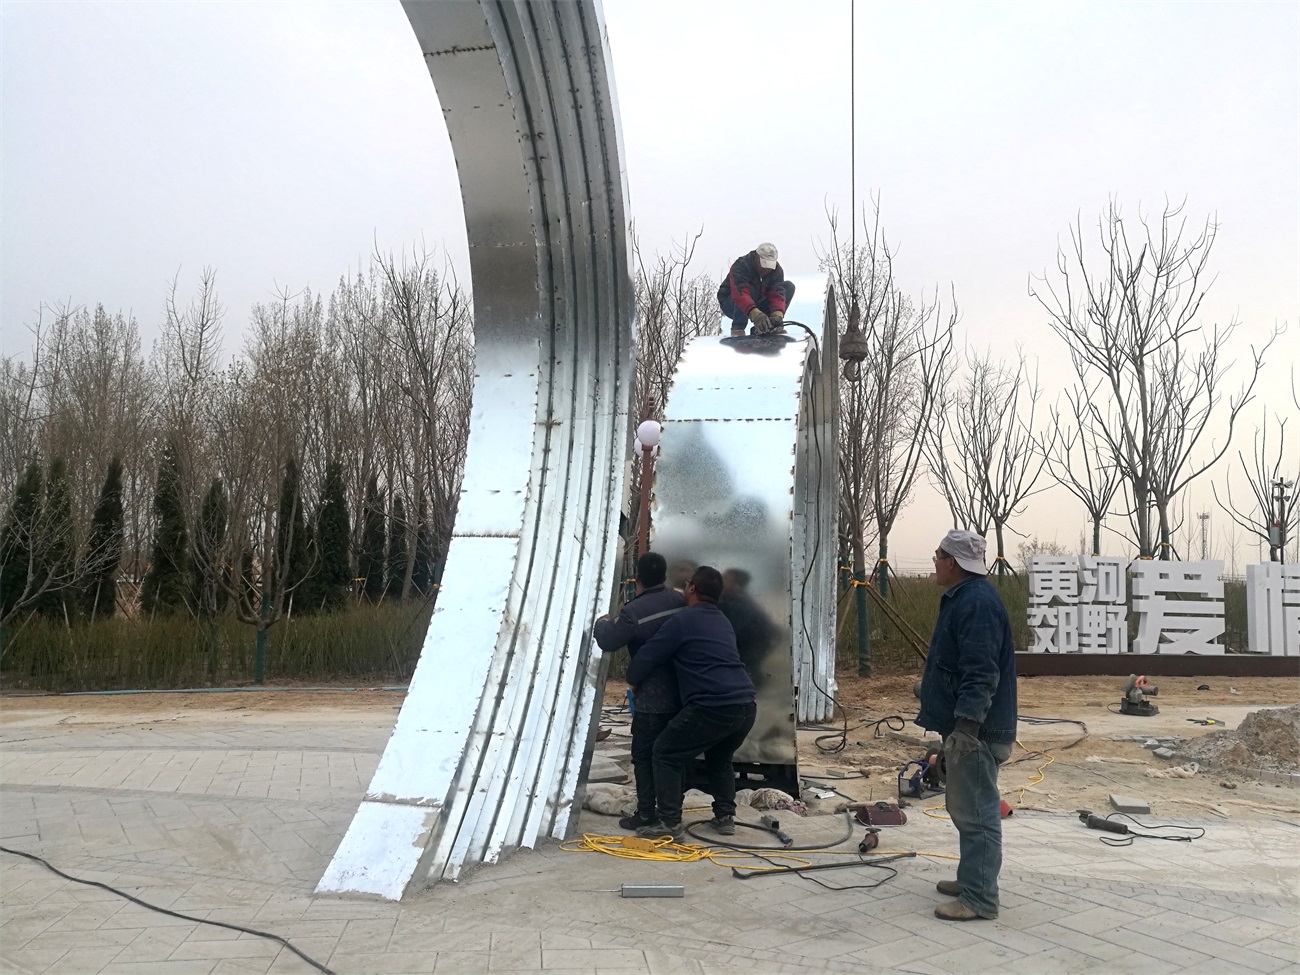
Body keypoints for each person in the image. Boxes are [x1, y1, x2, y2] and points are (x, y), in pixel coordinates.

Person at [916, 530, 1018, 921]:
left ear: (952, 563)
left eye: (937, 556)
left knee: (977, 813)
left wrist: (967, 727)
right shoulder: (965, 597)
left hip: (977, 732)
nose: (934, 562)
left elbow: (981, 673)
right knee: (965, 809)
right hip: (968, 727)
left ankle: (980, 898)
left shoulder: (976, 603)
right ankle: (971, 879)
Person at [625, 566, 757, 840]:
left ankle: (670, 823)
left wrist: (633, 679)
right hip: (745, 706)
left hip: (712, 706)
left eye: (686, 583)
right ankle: (725, 817)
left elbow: (649, 655)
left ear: (692, 588)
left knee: (665, 753)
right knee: (720, 758)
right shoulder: (722, 620)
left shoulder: (682, 620)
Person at [593, 552, 687, 831]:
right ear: (664, 574)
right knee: (673, 756)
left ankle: (647, 814)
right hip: (683, 694)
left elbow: (609, 641)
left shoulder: (633, 611)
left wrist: (601, 622)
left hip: (651, 697)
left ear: (638, 578)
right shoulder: (681, 600)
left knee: (644, 756)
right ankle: (672, 811)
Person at [718, 243, 796, 336]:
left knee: (789, 287)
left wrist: (777, 314)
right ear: (757, 258)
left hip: (757, 300)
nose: (766, 269)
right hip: (731, 303)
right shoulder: (741, 265)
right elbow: (740, 294)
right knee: (750, 289)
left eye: (769, 266)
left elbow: (777, 294)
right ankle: (738, 328)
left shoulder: (776, 271)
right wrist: (755, 314)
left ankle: (767, 327)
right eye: (764, 265)